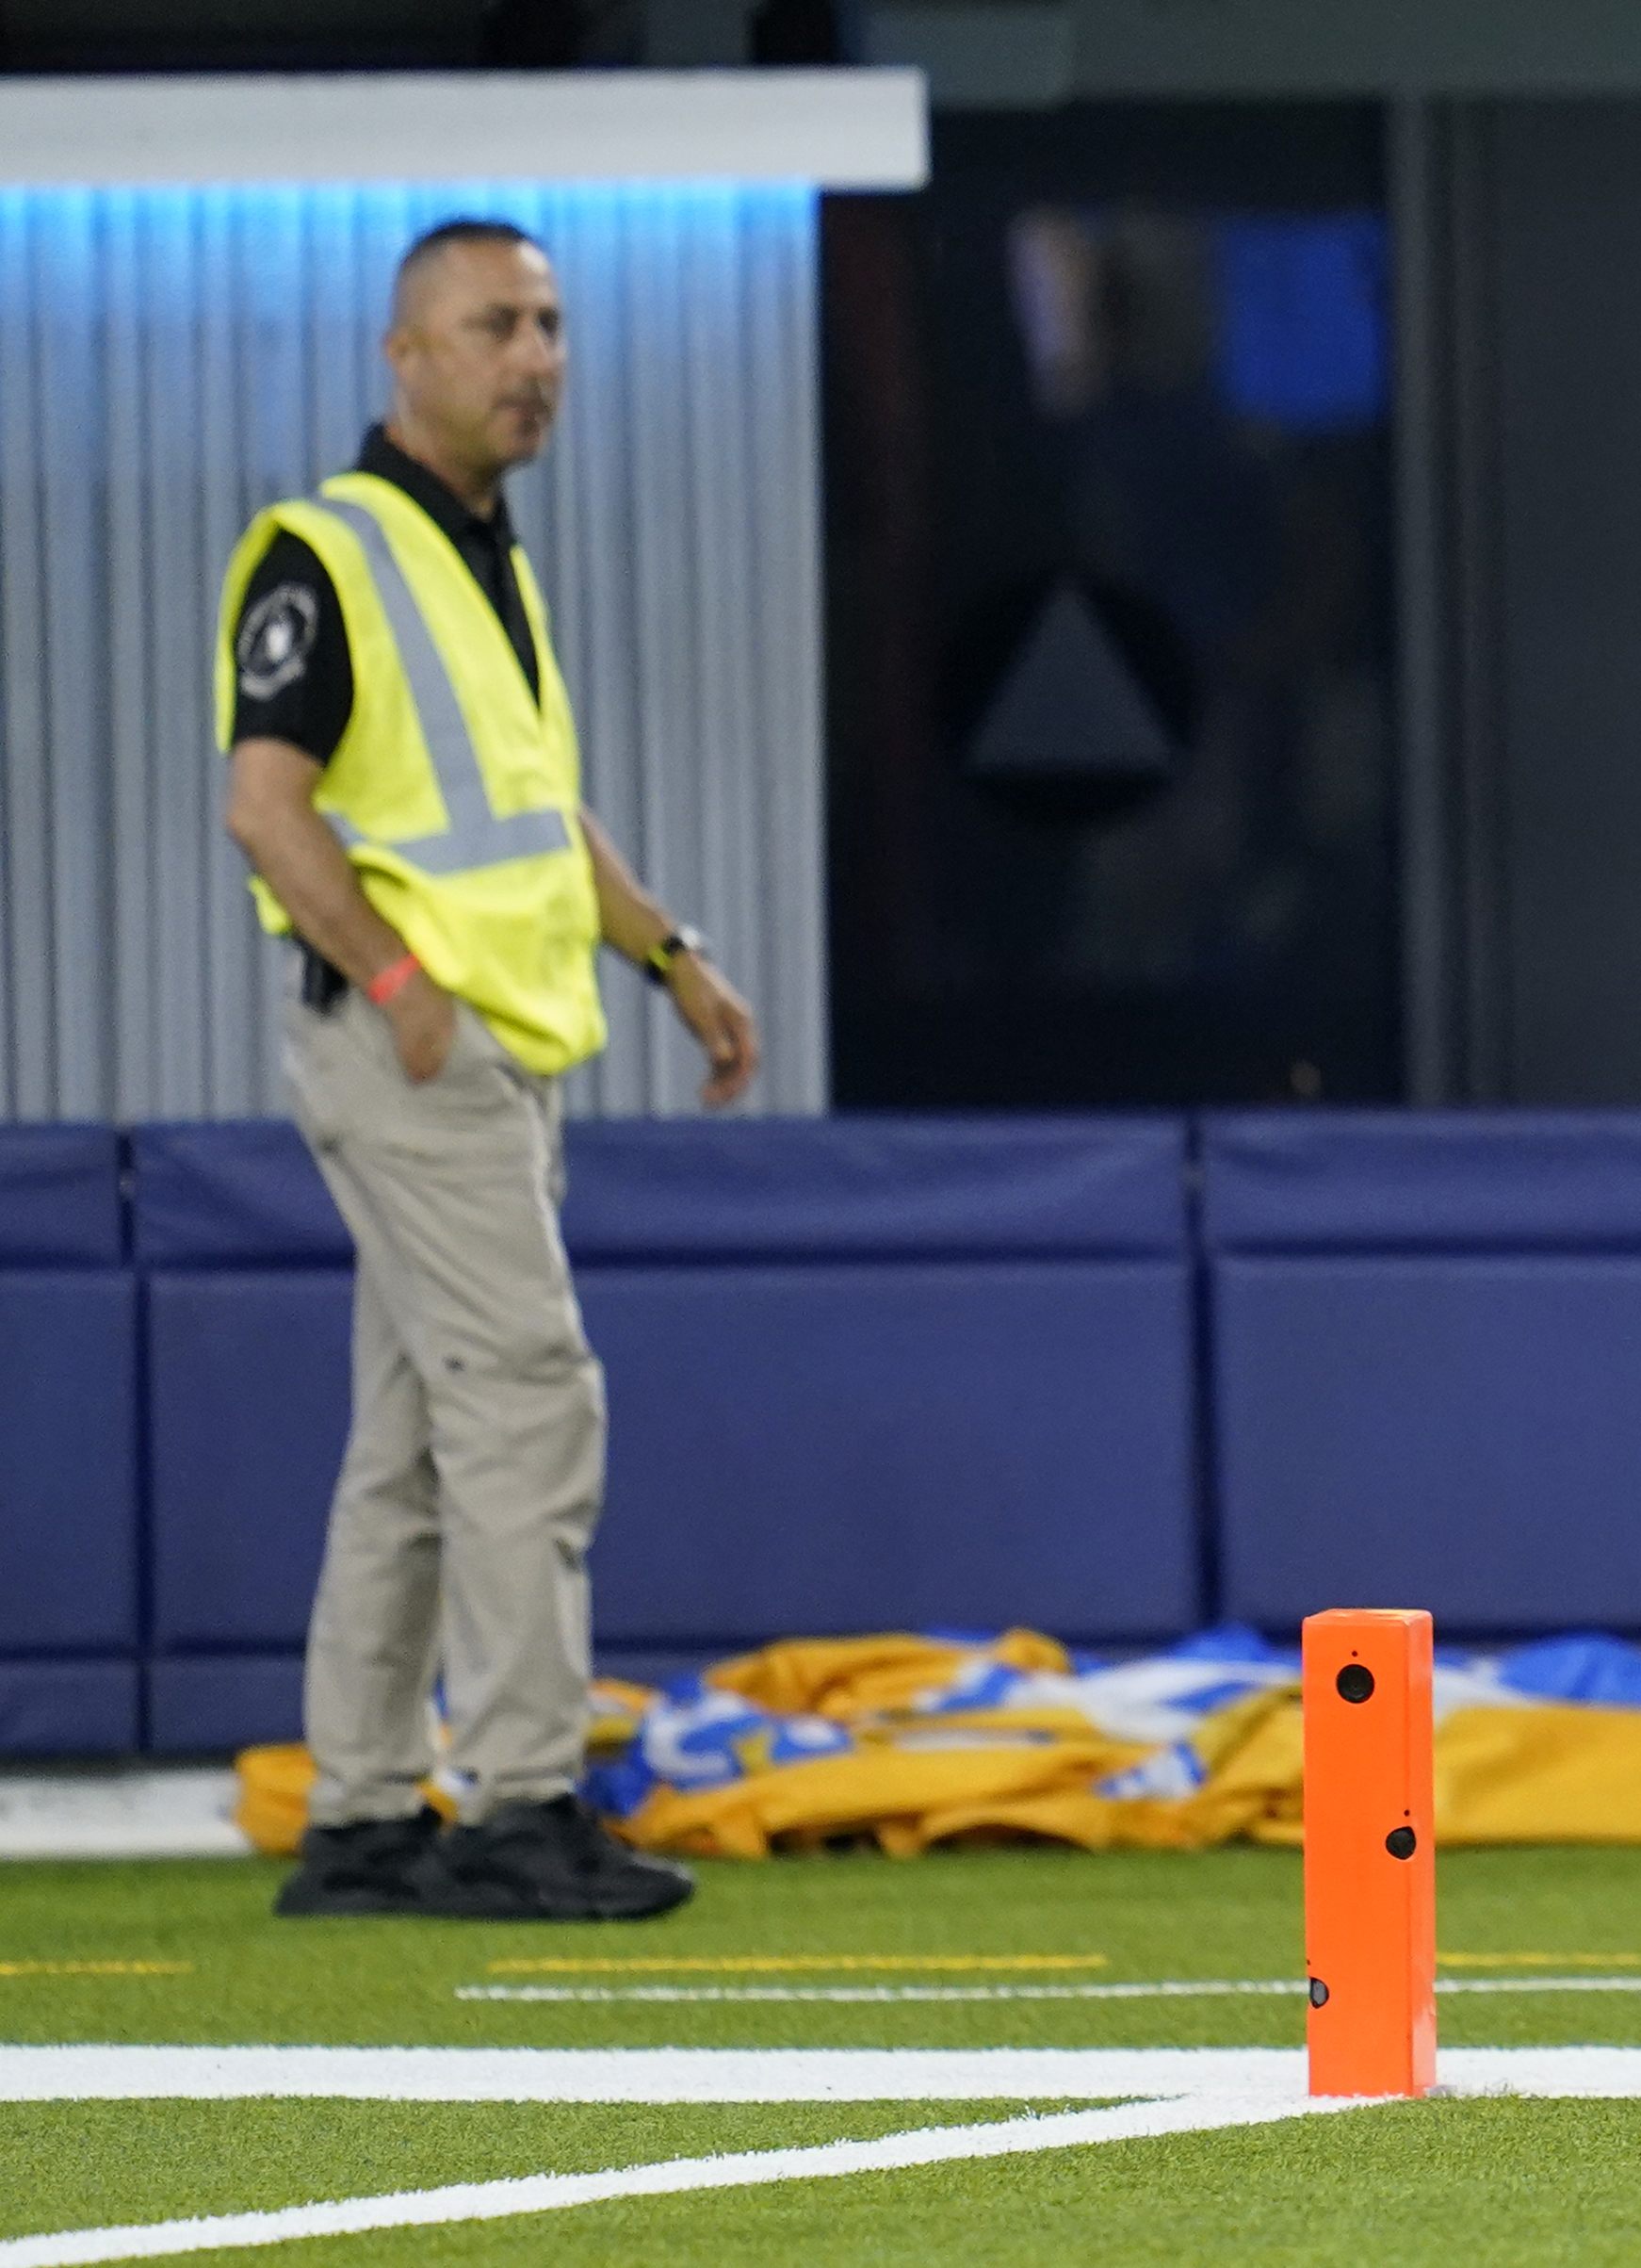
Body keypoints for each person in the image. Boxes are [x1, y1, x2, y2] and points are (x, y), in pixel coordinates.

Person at [219, 219, 759, 1922]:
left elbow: (536, 817)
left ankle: (365, 1819)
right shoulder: (327, 550)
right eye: (495, 326)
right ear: (407, 356)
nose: (537, 357)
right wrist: (397, 981)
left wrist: (671, 957)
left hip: (491, 1050)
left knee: (416, 1438)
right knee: (529, 1400)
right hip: (416, 1047)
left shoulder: (485, 559)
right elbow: (263, 801)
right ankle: (524, 1800)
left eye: (550, 325)